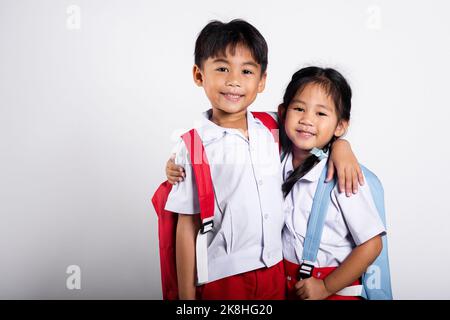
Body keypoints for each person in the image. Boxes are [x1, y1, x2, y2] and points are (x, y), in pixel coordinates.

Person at [164, 19, 363, 300]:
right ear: (199, 75)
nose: (234, 80)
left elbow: (313, 132)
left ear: (262, 81)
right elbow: (187, 225)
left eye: (246, 71)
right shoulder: (193, 145)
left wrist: (342, 145)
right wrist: (186, 298)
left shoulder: (270, 127)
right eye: (222, 68)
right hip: (224, 276)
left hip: (275, 270)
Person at [279, 66, 385, 300]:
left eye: (321, 114)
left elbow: (372, 244)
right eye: (298, 109)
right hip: (285, 288)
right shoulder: (275, 160)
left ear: (340, 126)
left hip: (334, 291)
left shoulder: (344, 174)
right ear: (283, 112)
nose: (307, 119)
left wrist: (325, 287)